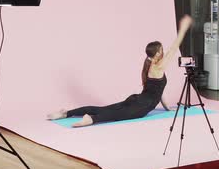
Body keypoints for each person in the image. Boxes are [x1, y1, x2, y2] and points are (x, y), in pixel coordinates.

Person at [46, 15, 193, 127]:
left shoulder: (149, 65)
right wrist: (183, 28)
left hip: (136, 99)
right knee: (115, 115)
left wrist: (167, 108)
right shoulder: (158, 67)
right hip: (141, 106)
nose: (164, 51)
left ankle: (66, 113)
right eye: (161, 50)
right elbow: (174, 49)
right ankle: (91, 119)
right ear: (157, 54)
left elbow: (158, 92)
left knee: (102, 109)